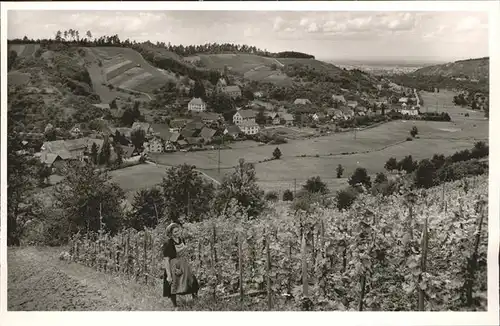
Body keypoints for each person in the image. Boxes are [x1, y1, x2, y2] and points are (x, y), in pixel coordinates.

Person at [162, 222, 199, 309]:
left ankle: (195, 300)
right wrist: (169, 275)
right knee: (173, 284)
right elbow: (166, 260)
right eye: (175, 232)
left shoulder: (181, 239)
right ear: (170, 234)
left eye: (178, 231)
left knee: (192, 281)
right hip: (174, 266)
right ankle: (175, 306)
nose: (177, 233)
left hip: (184, 264)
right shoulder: (168, 243)